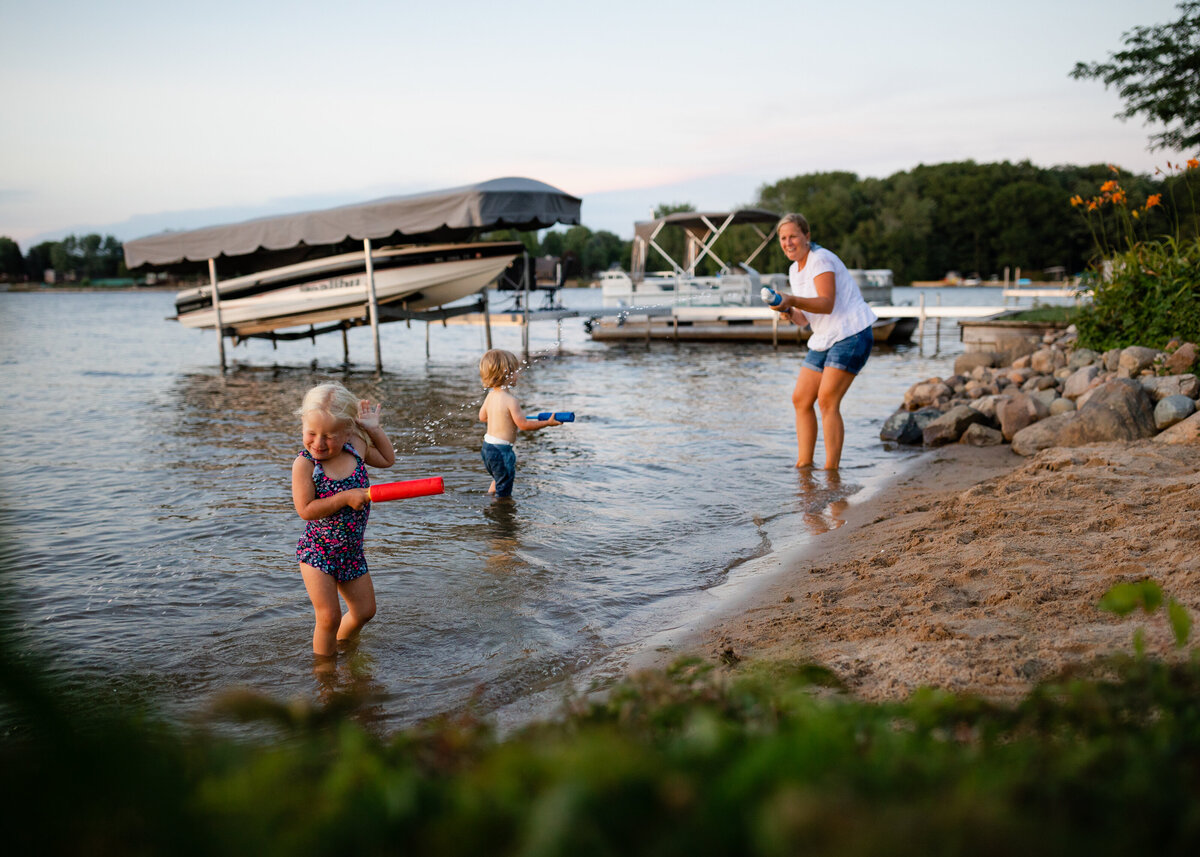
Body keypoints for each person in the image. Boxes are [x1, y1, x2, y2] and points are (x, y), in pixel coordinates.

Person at [762, 213, 877, 470]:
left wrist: (791, 299)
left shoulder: (821, 259)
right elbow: (805, 319)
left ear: (807, 236)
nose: (788, 242)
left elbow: (826, 303)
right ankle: (804, 467)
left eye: (793, 236)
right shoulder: (794, 269)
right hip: (825, 337)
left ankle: (831, 472)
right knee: (801, 399)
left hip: (851, 332)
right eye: (783, 238)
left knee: (827, 400)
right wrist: (789, 311)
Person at [292, 381, 395, 658]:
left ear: (348, 429)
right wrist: (344, 498)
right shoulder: (306, 465)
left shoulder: (356, 447)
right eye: (311, 433)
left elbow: (387, 459)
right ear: (303, 426)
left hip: (350, 551)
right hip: (318, 551)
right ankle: (325, 677)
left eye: (329, 436)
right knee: (328, 616)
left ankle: (343, 647)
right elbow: (305, 509)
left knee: (364, 612)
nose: (319, 443)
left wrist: (373, 428)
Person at [477, 349, 561, 498]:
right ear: (506, 373)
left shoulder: (490, 396)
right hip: (502, 451)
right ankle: (501, 514)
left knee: (498, 480)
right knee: (505, 491)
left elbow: (482, 417)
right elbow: (524, 425)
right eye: (515, 371)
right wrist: (547, 423)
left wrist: (501, 418)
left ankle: (488, 501)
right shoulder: (511, 401)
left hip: (487, 448)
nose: (518, 374)